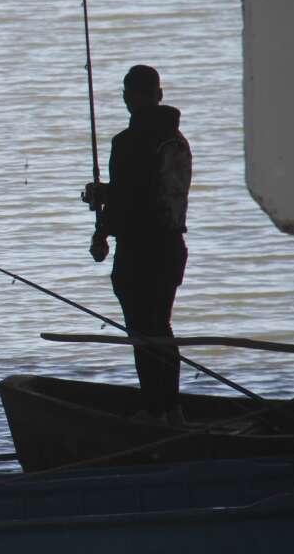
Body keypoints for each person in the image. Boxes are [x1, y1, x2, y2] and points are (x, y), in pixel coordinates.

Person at [84, 64, 192, 423]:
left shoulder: (127, 143)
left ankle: (152, 410)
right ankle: (172, 408)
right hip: (172, 247)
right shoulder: (176, 141)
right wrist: (110, 193)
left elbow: (128, 203)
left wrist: (101, 233)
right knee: (161, 327)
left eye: (129, 94)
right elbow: (149, 192)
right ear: (158, 96)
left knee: (141, 332)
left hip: (139, 251)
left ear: (129, 98)